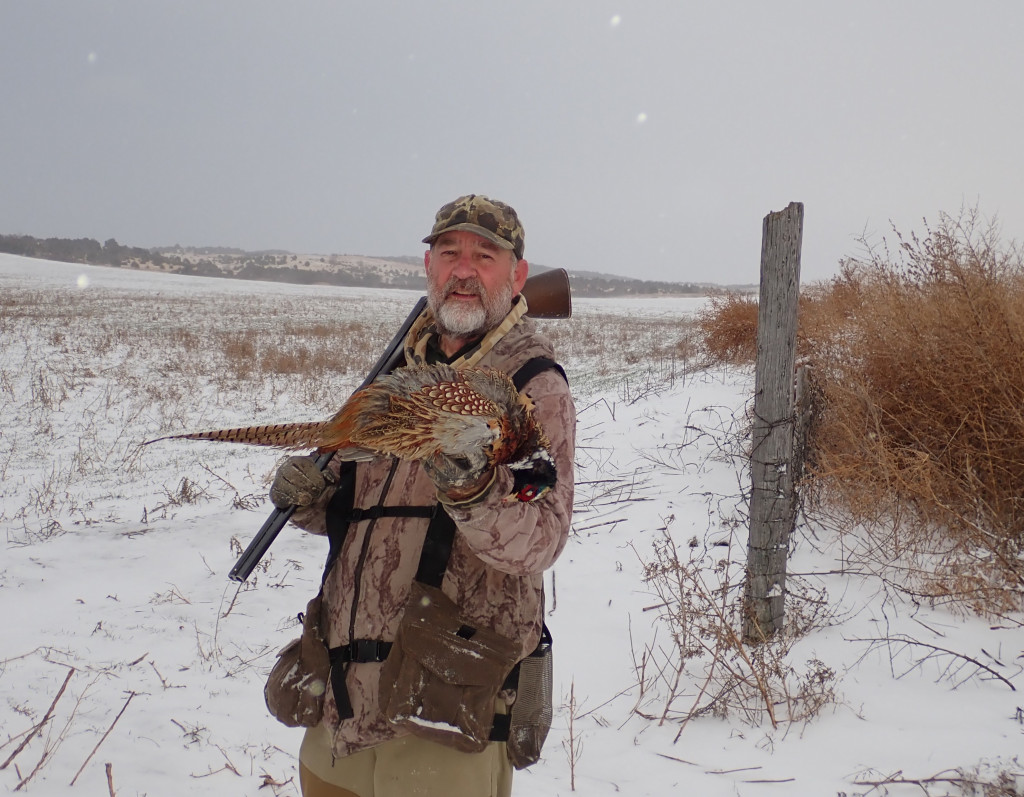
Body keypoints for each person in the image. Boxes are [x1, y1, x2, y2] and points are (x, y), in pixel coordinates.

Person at [268, 194, 576, 797]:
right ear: (427, 267)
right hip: (340, 702)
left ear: (517, 276)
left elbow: (541, 539)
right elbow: (363, 506)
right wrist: (311, 498)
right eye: (449, 253)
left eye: (485, 256)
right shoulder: (400, 368)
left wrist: (476, 492)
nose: (464, 270)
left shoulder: (531, 384)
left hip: (442, 715)